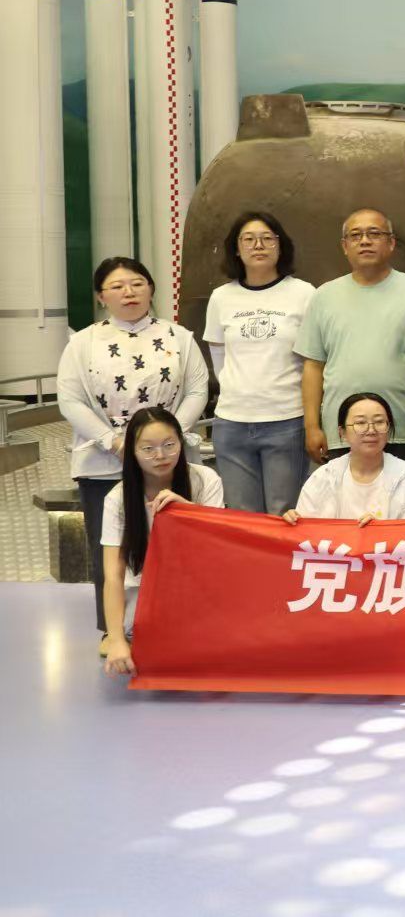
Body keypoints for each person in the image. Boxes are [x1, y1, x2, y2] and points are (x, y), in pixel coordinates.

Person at [57, 257, 210, 637]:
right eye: (117, 286)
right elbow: (71, 400)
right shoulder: (83, 343)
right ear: (101, 296)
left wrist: (164, 440)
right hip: (105, 462)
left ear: (151, 289)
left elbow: (197, 391)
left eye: (138, 283)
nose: (129, 292)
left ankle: (179, 624)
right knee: (108, 548)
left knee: (177, 543)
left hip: (167, 460)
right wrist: (115, 441)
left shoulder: (179, 337)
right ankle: (113, 631)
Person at [203, 211, 315, 515]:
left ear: (281, 245)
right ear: (236, 249)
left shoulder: (304, 293)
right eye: (249, 239)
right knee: (243, 517)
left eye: (267, 238)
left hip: (287, 420)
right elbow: (219, 359)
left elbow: (313, 359)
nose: (258, 245)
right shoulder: (221, 297)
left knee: (284, 514)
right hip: (232, 422)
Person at [99, 408, 225, 676]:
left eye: (169, 445)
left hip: (200, 585)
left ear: (181, 442)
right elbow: (113, 576)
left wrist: (188, 510)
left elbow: (220, 544)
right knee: (136, 631)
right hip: (147, 589)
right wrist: (116, 639)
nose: (160, 456)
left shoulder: (205, 479)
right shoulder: (117, 500)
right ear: (133, 451)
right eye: (148, 449)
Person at [298, 209, 405, 466]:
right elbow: (313, 367)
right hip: (342, 431)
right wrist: (312, 427)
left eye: (374, 234)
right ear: (345, 246)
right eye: (356, 235)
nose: (365, 241)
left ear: (391, 243)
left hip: (402, 429)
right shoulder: (324, 296)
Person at [284, 392, 405, 523]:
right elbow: (307, 535)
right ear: (342, 432)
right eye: (360, 423)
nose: (371, 430)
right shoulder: (323, 478)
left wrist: (382, 531)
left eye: (379, 422)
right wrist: (295, 522)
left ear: (389, 429)